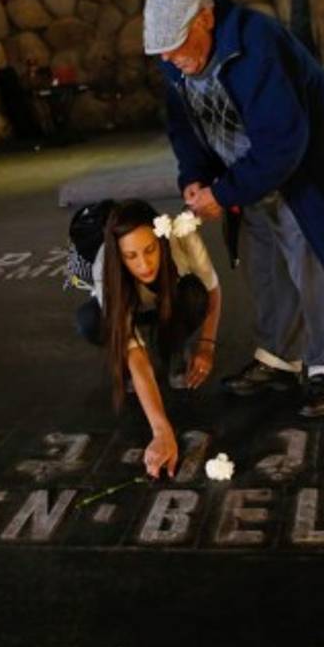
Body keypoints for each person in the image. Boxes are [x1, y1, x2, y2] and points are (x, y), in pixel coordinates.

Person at [143, 0, 324, 418]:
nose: (169, 57)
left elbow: (284, 141)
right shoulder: (176, 60)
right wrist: (195, 176)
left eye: (176, 43)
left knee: (312, 263)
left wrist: (223, 192)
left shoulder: (258, 45)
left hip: (308, 171)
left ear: (206, 17)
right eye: (161, 48)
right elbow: (184, 126)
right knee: (263, 263)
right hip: (247, 175)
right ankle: (280, 359)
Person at [75, 199, 222, 478]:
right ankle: (132, 372)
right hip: (128, 310)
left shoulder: (183, 237)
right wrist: (161, 430)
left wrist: (206, 345)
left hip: (170, 303)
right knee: (90, 320)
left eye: (150, 250)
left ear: (161, 240)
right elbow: (137, 356)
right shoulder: (104, 267)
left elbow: (213, 290)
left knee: (195, 294)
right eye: (131, 257)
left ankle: (175, 349)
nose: (143, 264)